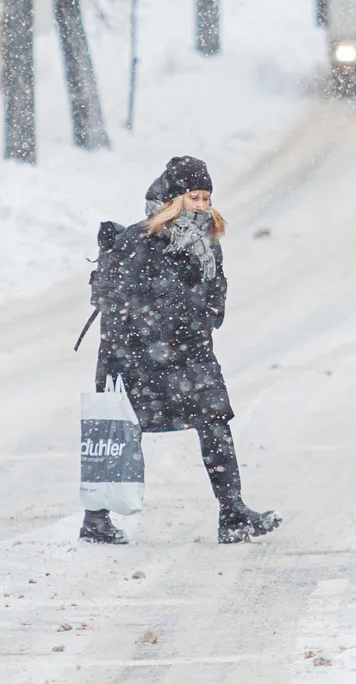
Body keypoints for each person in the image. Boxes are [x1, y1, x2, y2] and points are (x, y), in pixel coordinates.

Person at [83, 156, 282, 546]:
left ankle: (233, 513)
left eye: (206, 197)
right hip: (140, 355)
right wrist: (164, 319)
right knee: (122, 431)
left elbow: (214, 301)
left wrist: (202, 311)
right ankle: (95, 519)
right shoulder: (138, 240)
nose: (202, 206)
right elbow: (124, 303)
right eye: (194, 197)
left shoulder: (206, 244)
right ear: (174, 199)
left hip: (189, 352)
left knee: (216, 422)